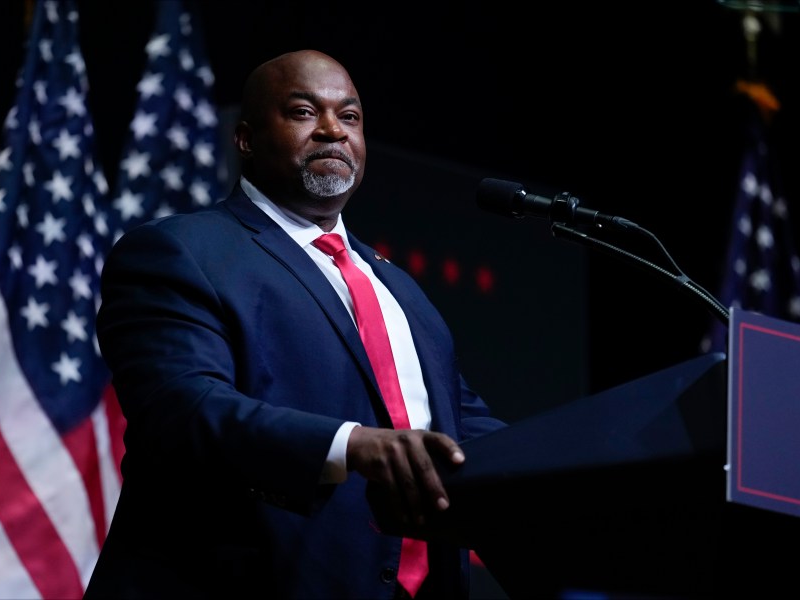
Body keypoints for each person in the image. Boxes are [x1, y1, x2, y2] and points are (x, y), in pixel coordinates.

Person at [83, 49, 507, 600]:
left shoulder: (396, 287)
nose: (332, 130)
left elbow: (460, 423)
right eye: (305, 112)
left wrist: (572, 466)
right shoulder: (179, 251)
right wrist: (349, 445)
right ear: (245, 139)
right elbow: (182, 411)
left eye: (349, 117)